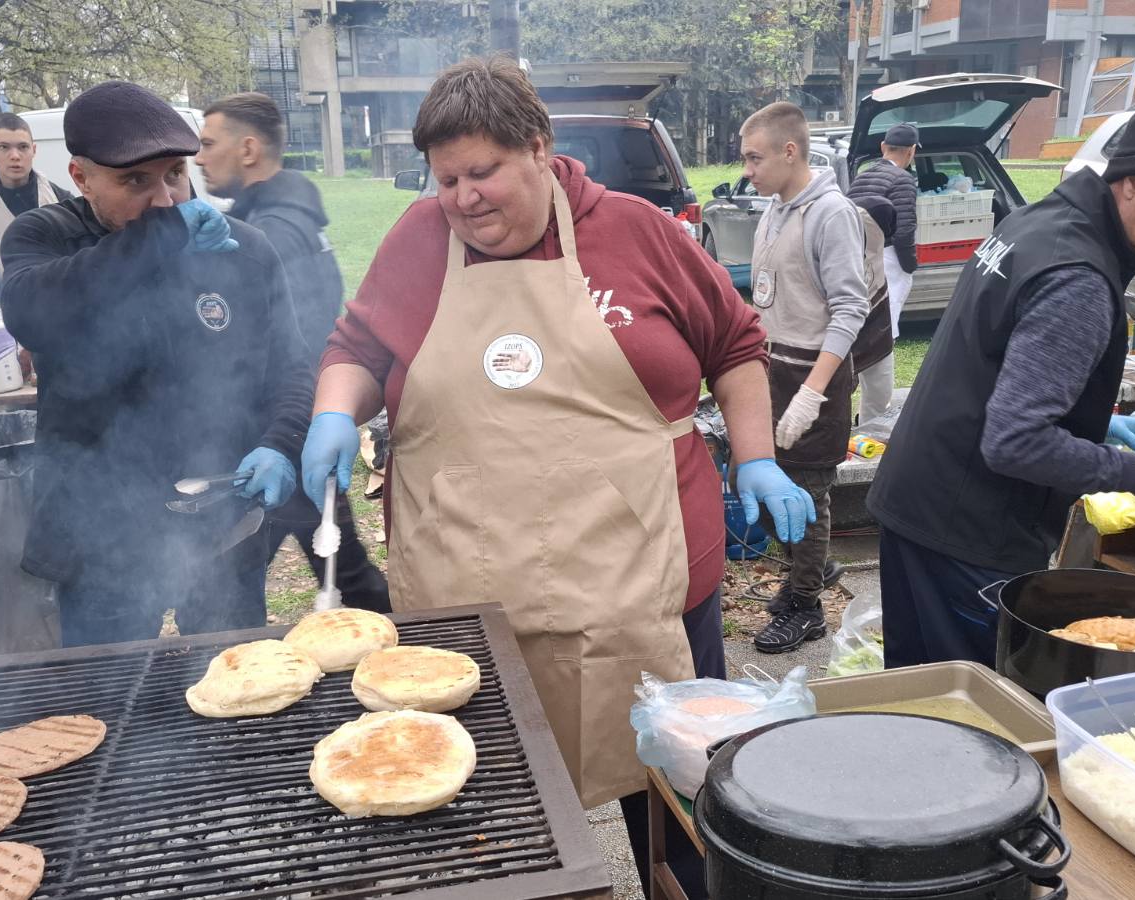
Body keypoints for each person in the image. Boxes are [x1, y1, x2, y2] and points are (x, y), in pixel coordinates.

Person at [296, 57, 811, 900]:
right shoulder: (419, 241)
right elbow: (358, 349)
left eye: (483, 172)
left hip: (642, 579)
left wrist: (756, 454)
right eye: (447, 179)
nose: (462, 198)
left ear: (539, 147)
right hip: (468, 584)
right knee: (483, 802)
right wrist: (332, 412)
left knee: (679, 798)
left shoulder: (638, 230)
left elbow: (735, 346)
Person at [868, 87, 1135, 668]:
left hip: (920, 495)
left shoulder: (1040, 220)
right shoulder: (1077, 277)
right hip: (969, 528)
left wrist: (1098, 427)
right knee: (976, 716)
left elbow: (997, 368)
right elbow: (1016, 441)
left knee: (922, 691)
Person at [0, 81, 312, 647]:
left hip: (222, 518)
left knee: (235, 684)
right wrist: (159, 241)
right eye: (134, 181)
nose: (165, 198)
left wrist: (282, 442)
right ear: (80, 176)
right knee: (105, 698)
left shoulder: (242, 250)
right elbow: (34, 313)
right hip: (98, 533)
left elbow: (291, 367)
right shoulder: (47, 237)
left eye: (173, 173)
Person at [194, 91, 390, 613]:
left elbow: (289, 343)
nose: (198, 157)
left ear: (249, 149)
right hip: (293, 430)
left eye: (209, 143)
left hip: (280, 435)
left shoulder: (268, 234)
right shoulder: (284, 216)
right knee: (345, 570)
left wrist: (283, 435)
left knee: (222, 593)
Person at [738, 101, 868, 654]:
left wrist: (812, 393)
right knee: (765, 487)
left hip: (815, 376)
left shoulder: (832, 214)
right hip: (773, 366)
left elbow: (851, 308)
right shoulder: (773, 206)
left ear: (790, 151)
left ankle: (806, 604)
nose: (747, 169)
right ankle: (810, 567)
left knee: (806, 495)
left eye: (754, 157)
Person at [846, 123, 919, 421]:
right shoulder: (902, 180)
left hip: (856, 260)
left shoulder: (860, 178)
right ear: (912, 152)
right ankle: (873, 418)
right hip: (887, 260)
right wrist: (910, 265)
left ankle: (862, 409)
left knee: (860, 333)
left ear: (882, 148)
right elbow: (904, 232)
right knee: (883, 335)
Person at [0, 112, 71, 299]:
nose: (15, 156)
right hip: (6, 311)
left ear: (34, 150)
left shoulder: (61, 199)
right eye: (4, 147)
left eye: (23, 147)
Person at [849, 195, 896, 425]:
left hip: (876, 318)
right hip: (838, 322)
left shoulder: (876, 226)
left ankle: (869, 433)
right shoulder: (841, 233)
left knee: (880, 388)